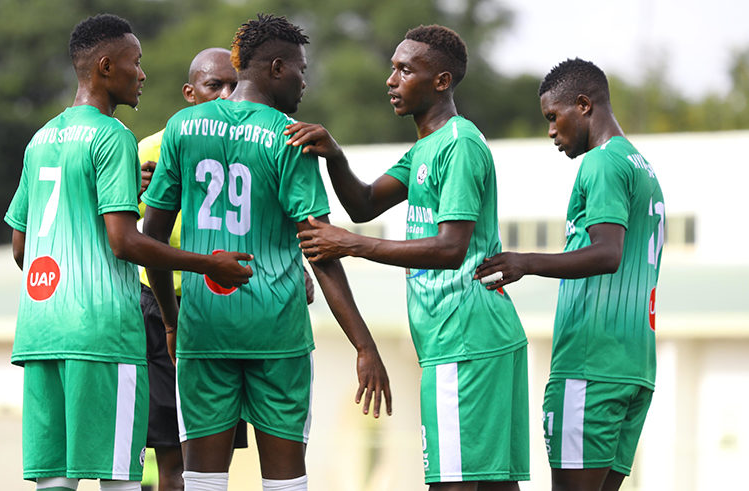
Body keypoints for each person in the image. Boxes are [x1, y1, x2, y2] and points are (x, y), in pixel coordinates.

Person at [141, 13, 392, 491]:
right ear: (276, 68)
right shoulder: (290, 135)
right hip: (277, 331)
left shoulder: (181, 128)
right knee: (284, 484)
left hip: (204, 329)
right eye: (300, 68)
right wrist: (364, 344)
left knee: (201, 481)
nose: (305, 80)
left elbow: (151, 240)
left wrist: (173, 321)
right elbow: (321, 250)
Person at [4, 14, 252, 491]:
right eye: (134, 63)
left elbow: (21, 245)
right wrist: (209, 263)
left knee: (54, 480)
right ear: (104, 67)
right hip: (101, 331)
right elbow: (124, 241)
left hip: (39, 327)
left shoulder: (41, 139)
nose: (141, 74)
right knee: (119, 477)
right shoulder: (112, 135)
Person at [287, 24, 528, 491]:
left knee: (452, 482)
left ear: (441, 81)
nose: (391, 80)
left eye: (404, 70)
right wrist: (334, 155)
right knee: (494, 485)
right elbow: (364, 203)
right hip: (466, 340)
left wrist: (353, 245)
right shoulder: (427, 147)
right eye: (392, 68)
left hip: (466, 339)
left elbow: (450, 247)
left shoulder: (458, 144)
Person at [474, 58, 665, 491]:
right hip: (634, 366)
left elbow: (607, 253)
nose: (551, 132)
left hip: (590, 365)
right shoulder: (642, 166)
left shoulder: (600, 164)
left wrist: (525, 262)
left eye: (553, 117)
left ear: (582, 105)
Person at [135, 47, 247, 491]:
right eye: (213, 85)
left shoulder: (246, 143)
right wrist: (135, 187)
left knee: (211, 460)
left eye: (234, 85)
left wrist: (297, 266)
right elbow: (130, 232)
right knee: (170, 462)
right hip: (161, 305)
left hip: (222, 302)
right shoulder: (150, 148)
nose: (225, 94)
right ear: (189, 93)